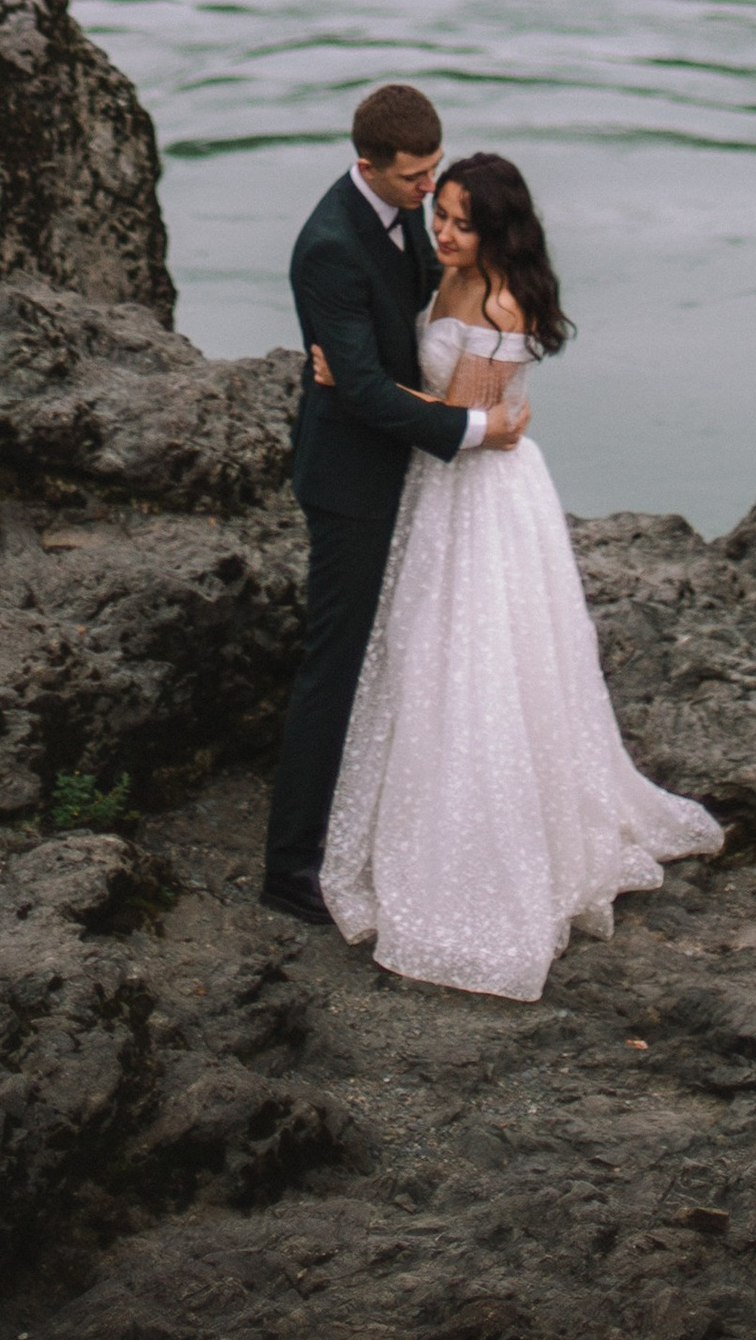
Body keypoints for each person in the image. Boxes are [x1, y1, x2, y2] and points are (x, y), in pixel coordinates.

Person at [314, 148, 723, 1003]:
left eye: (463, 220)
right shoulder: (453, 270)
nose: (445, 231)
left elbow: (466, 418)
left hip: (478, 488)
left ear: (497, 227)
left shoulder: (501, 302)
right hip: (451, 473)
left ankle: (480, 846)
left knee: (468, 655)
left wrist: (352, 384)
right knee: (432, 650)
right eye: (441, 214)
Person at [261, 82, 524, 924]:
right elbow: (370, 393)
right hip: (350, 480)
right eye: (415, 176)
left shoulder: (406, 209)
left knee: (397, 653)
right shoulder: (329, 245)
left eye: (435, 170)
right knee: (332, 668)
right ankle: (290, 866)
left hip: (400, 468)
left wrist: (375, 369)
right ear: (369, 163)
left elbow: (402, 329)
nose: (429, 190)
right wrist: (476, 424)